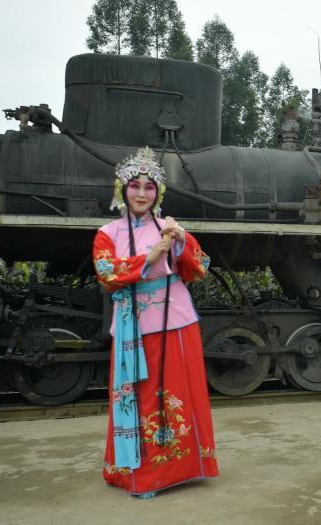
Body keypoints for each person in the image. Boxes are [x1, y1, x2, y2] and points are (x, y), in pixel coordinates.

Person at [92, 146, 219, 498]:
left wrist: (182, 242)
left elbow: (201, 267)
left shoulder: (170, 227)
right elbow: (106, 273)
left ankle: (182, 468)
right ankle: (142, 475)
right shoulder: (108, 233)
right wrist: (149, 257)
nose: (142, 194)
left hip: (176, 321)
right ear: (122, 189)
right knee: (141, 398)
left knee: (177, 395)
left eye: (150, 187)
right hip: (134, 326)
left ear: (158, 193)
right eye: (135, 186)